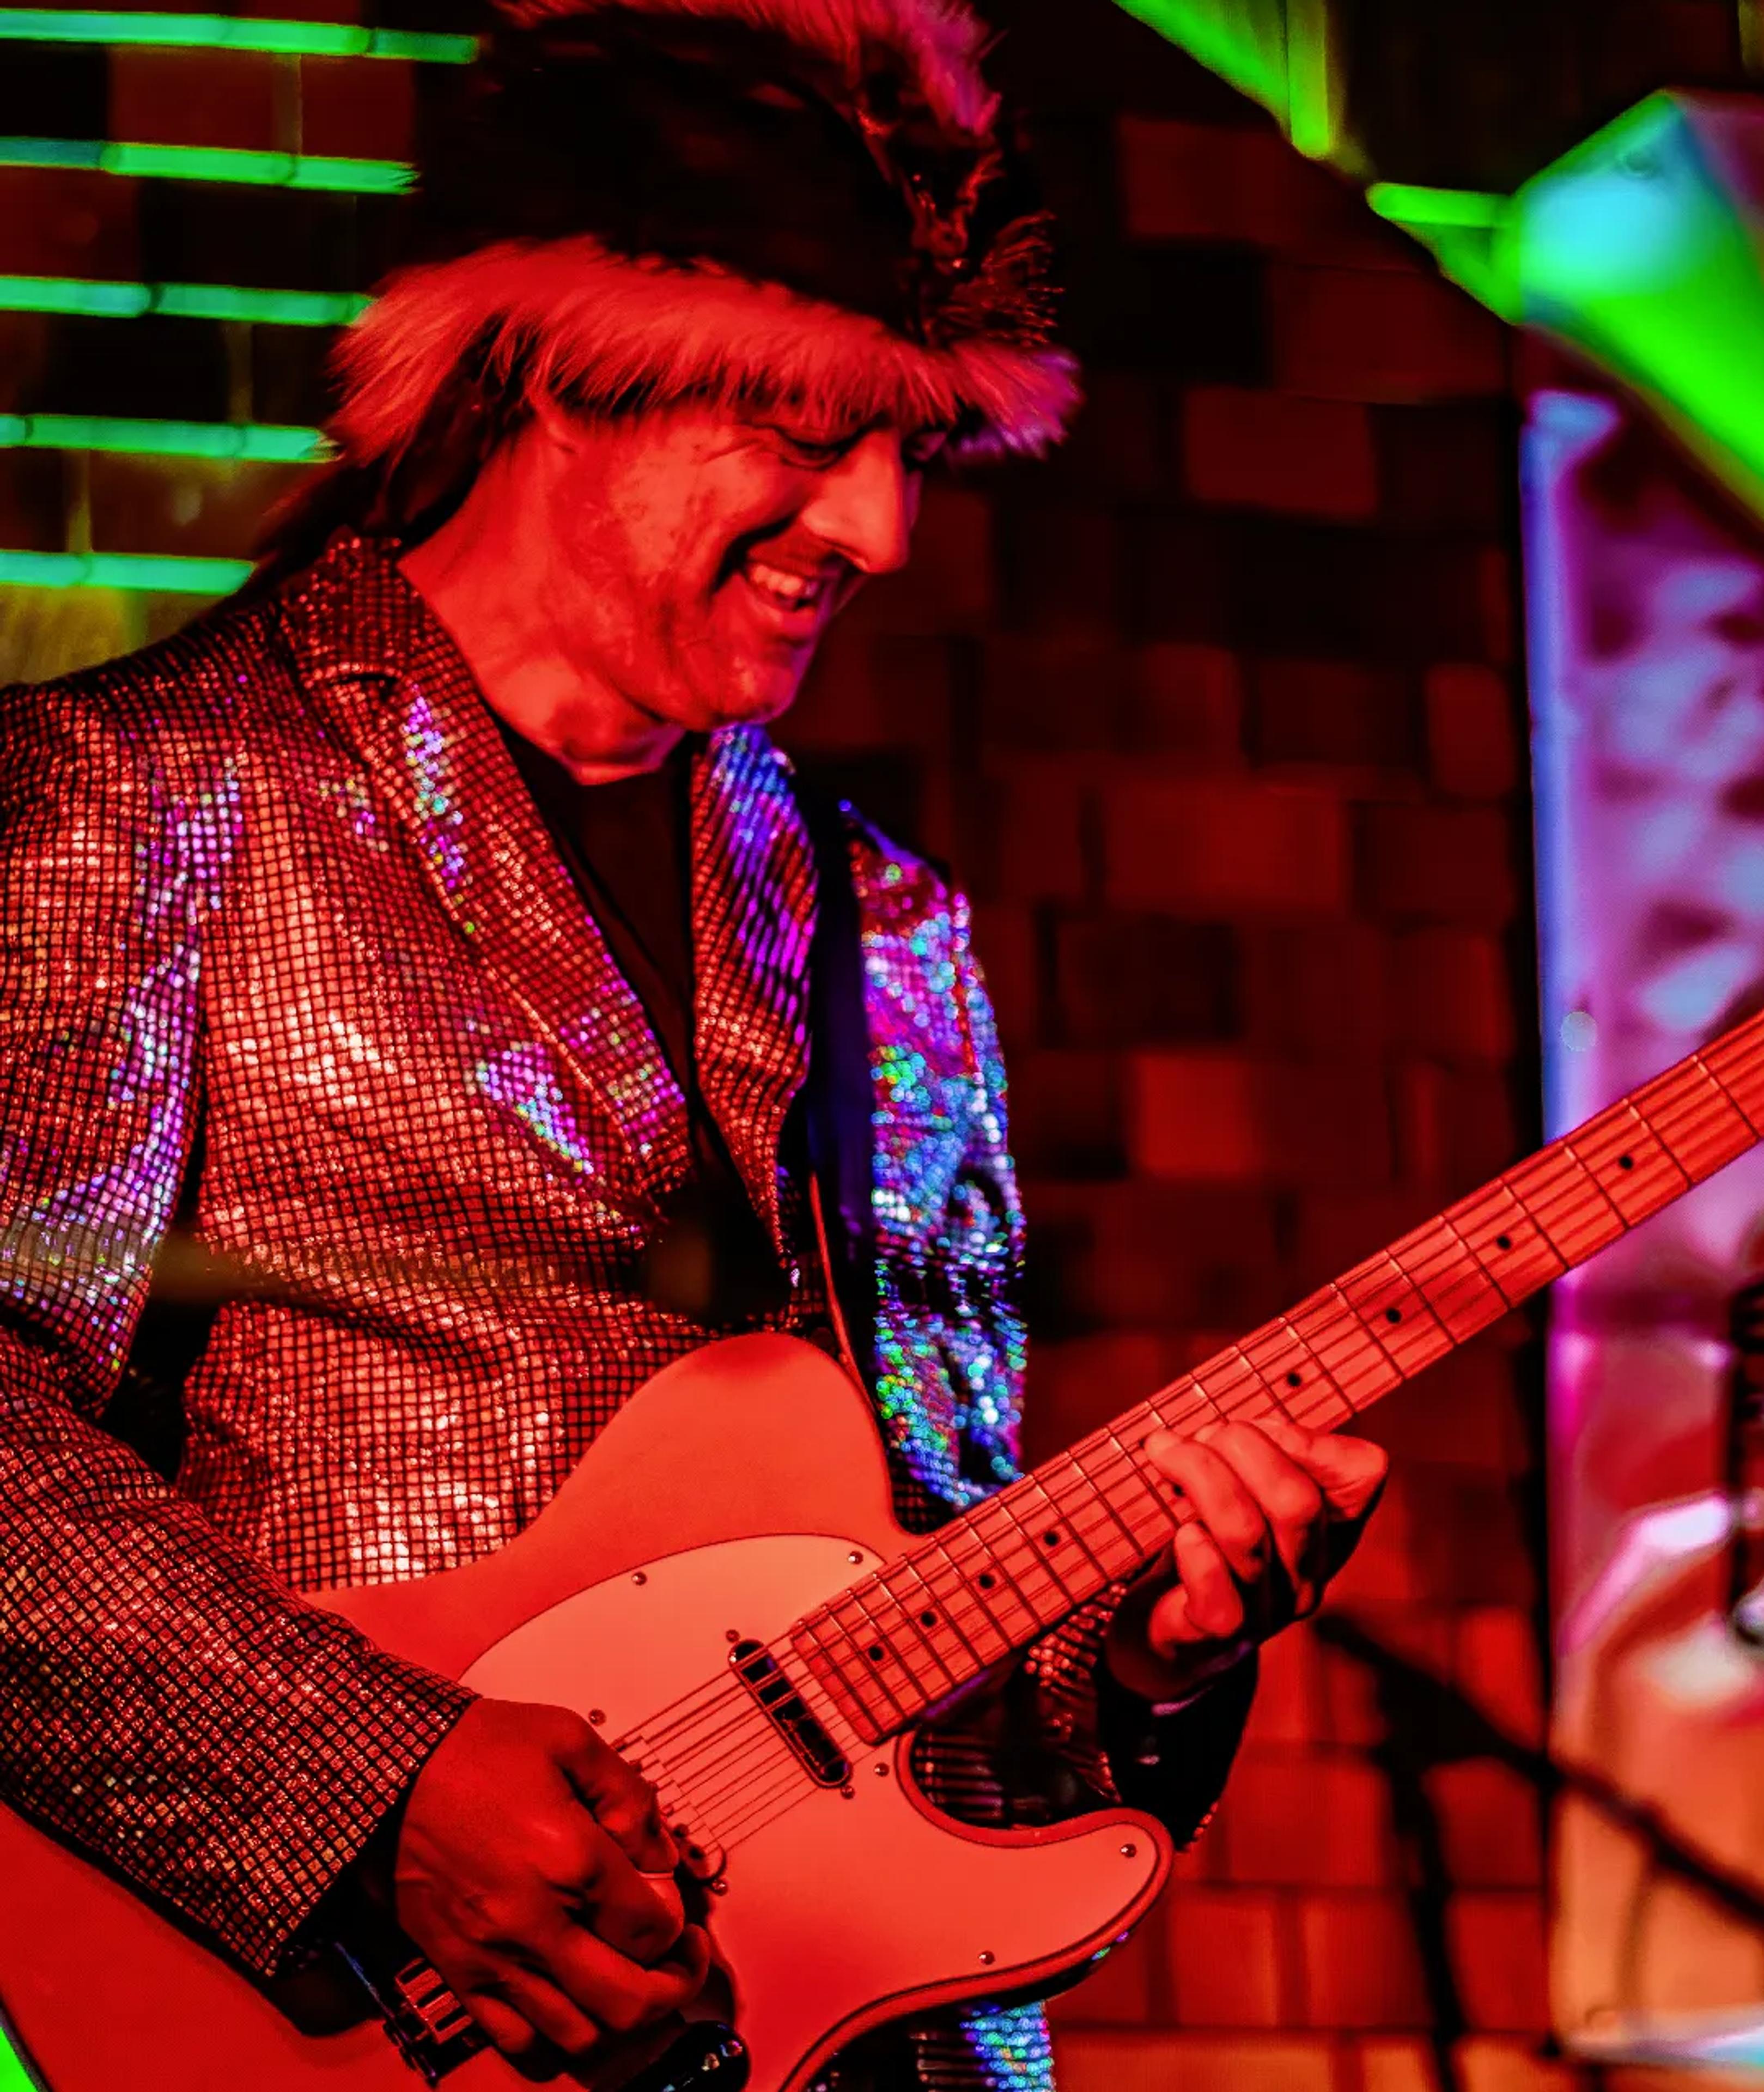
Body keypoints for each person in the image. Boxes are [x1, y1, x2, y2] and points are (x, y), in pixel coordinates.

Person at [0, 2, 1389, 2087]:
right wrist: (387, 1791)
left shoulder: (887, 927)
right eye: (813, 433)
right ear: (571, 373)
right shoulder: (134, 797)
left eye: (912, 451)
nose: (881, 532)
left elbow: (929, 1605)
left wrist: (1151, 1660)